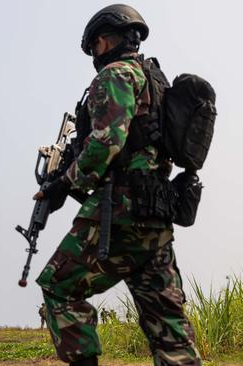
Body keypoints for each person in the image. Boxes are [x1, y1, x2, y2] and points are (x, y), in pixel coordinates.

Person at [34, 4, 200, 366]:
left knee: (59, 287)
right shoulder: (155, 81)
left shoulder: (115, 75)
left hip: (119, 213)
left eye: (95, 46)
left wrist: (64, 184)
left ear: (107, 40)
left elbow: (106, 142)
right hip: (157, 216)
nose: (95, 53)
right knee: (168, 326)